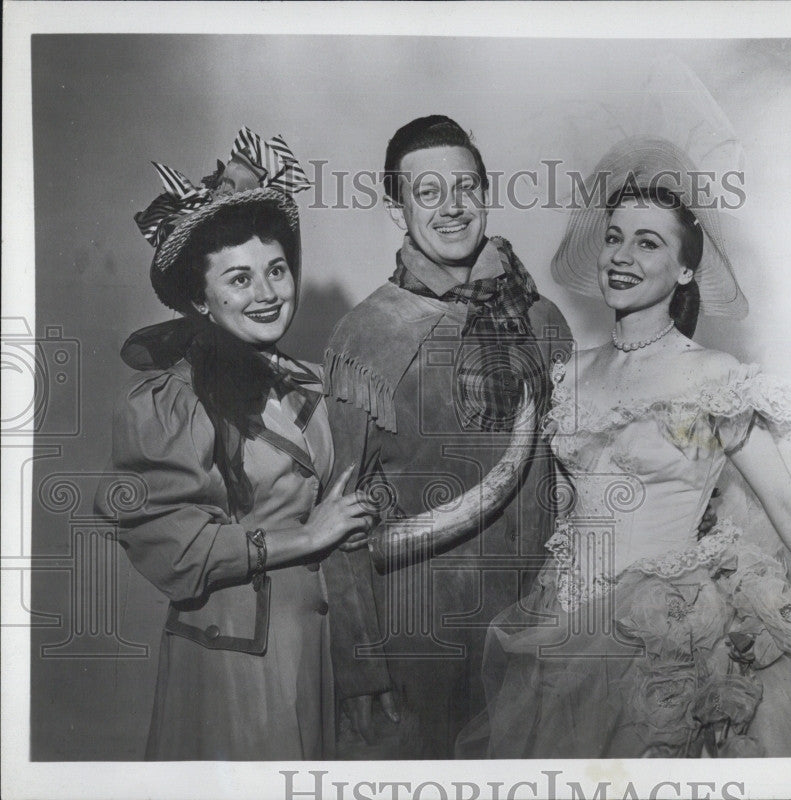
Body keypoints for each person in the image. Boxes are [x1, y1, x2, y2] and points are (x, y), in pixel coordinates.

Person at [456, 136, 791, 758]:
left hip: (673, 635)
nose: (622, 256)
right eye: (615, 236)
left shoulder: (715, 377)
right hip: (565, 630)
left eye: (648, 242)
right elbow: (560, 509)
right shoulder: (569, 371)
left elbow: (788, 508)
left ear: (687, 269)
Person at [95, 129, 377, 760]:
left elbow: (316, 495)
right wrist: (308, 538)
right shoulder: (173, 399)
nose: (268, 293)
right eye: (240, 278)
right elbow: (171, 544)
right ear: (201, 296)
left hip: (313, 651)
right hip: (234, 665)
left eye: (277, 270)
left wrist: (348, 519)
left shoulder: (303, 380)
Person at [320, 115, 575, 759]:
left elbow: (575, 475)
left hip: (536, 623)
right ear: (396, 208)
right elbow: (334, 519)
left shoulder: (542, 319)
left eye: (465, 187)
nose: (452, 208)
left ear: (485, 193)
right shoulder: (365, 335)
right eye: (427, 192)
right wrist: (359, 665)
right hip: (418, 634)